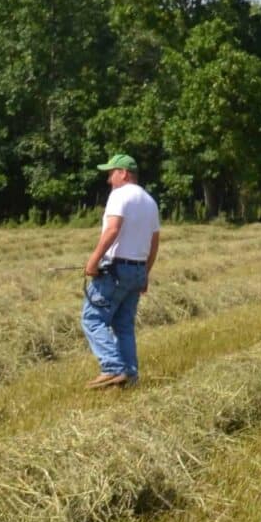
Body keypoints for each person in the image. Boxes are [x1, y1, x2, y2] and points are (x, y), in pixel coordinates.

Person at [82, 152, 160, 390]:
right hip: (137, 268)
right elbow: (154, 241)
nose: (109, 179)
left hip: (116, 269)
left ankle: (113, 368)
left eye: (111, 173)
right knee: (124, 325)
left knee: (92, 319)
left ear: (123, 173)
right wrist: (145, 272)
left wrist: (93, 261)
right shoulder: (149, 201)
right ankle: (130, 375)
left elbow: (113, 229)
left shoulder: (119, 195)